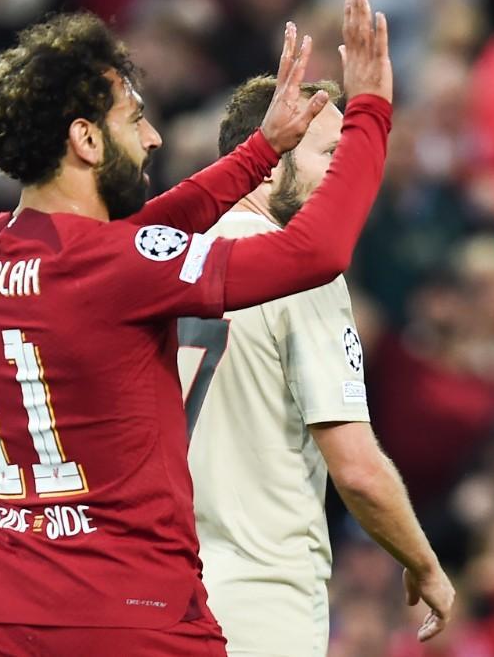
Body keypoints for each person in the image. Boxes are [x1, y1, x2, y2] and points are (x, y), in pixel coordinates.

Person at [0, 0, 392, 654]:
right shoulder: (114, 268)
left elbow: (135, 243)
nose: (153, 137)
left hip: (2, 618)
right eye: (134, 120)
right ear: (85, 139)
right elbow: (316, 252)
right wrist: (371, 114)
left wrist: (260, 151)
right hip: (129, 618)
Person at [179, 72, 454, 655]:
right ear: (267, 160)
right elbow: (356, 469)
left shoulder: (170, 258)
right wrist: (423, 562)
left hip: (157, 591)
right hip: (261, 597)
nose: (342, 177)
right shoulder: (298, 269)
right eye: (330, 154)